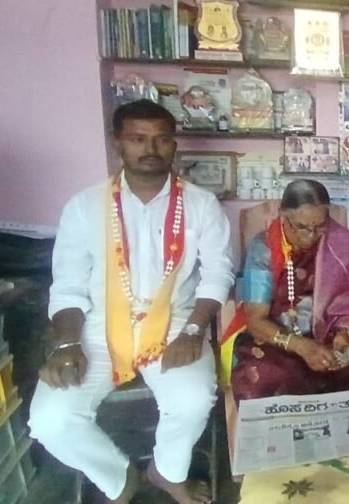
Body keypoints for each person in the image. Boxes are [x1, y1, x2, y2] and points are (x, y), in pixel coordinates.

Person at [28, 100, 235, 504]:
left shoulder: (201, 205)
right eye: (138, 139)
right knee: (50, 420)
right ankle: (119, 478)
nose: (150, 149)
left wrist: (194, 330)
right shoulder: (85, 206)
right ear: (118, 143)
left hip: (176, 323)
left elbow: (218, 274)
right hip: (98, 328)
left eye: (160, 139)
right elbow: (67, 285)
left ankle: (166, 472)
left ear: (174, 145)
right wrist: (67, 343)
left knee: (193, 400)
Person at [229, 180, 349, 400]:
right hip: (280, 338)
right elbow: (256, 321)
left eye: (320, 226)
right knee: (261, 379)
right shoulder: (263, 248)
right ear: (283, 216)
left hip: (328, 331)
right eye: (302, 227)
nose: (311, 235)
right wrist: (302, 347)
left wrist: (342, 333)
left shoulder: (337, 241)